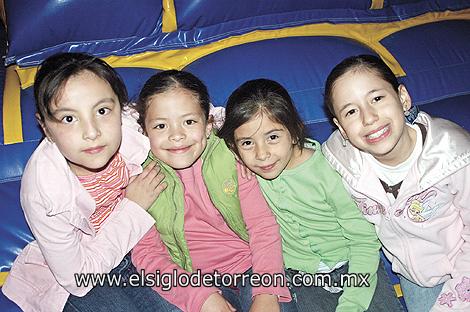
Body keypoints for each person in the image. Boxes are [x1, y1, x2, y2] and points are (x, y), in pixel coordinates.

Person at [1, 52, 175, 312]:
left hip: (140, 243)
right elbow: (77, 279)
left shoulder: (129, 125)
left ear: (121, 108)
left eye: (102, 111)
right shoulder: (45, 191)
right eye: (69, 118)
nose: (92, 132)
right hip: (83, 270)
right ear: (45, 127)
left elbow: (182, 119)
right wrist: (134, 208)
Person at [218, 78, 403, 312]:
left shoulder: (328, 170)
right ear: (234, 147)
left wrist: (353, 302)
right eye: (247, 143)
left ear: (294, 132)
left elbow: (363, 240)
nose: (261, 154)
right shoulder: (248, 174)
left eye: (273, 137)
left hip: (355, 264)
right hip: (302, 276)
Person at [131, 70, 295, 312]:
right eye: (161, 126)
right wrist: (199, 297)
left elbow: (262, 226)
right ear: (144, 131)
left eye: (189, 122)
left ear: (208, 125)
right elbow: (146, 254)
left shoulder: (231, 158)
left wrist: (267, 291)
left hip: (250, 269)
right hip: (187, 279)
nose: (177, 135)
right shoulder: (138, 178)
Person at [321, 54, 470, 311]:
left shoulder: (452, 156)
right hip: (416, 278)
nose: (369, 118)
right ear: (341, 128)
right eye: (351, 111)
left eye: (377, 99)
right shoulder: (342, 160)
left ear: (402, 98)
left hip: (462, 264)